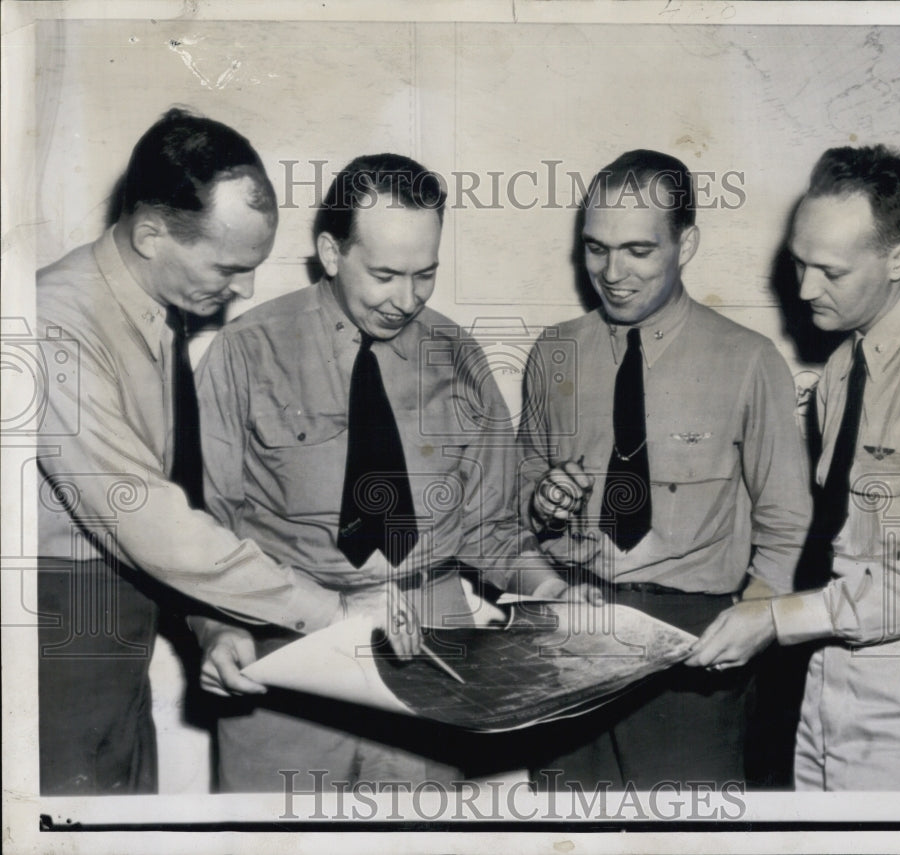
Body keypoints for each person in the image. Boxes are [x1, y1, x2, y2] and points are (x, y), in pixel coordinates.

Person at [192, 153, 569, 792]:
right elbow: (205, 527)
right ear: (331, 252)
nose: (407, 299)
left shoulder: (457, 356)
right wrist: (217, 628)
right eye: (386, 274)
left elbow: (493, 530)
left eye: (426, 274)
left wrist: (552, 592)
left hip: (433, 657)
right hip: (288, 653)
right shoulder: (246, 351)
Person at [35, 109, 353, 795]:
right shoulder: (54, 323)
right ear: (151, 234)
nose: (243, 290)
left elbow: (176, 494)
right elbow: (144, 517)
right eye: (229, 267)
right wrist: (333, 614)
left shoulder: (152, 311)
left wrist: (210, 626)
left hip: (118, 634)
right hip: (56, 636)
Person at [686, 145, 900, 791]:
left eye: (830, 270)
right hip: (828, 679)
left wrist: (778, 619)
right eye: (799, 263)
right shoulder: (840, 369)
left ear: (898, 259)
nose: (805, 290)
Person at [517, 149, 812, 789]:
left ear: (687, 244)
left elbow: (788, 521)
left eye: (638, 251)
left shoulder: (749, 360)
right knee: (565, 823)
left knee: (683, 828)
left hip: (693, 651)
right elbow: (518, 493)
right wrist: (542, 502)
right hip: (572, 628)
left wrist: (755, 620)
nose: (612, 273)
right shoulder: (555, 350)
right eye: (596, 249)